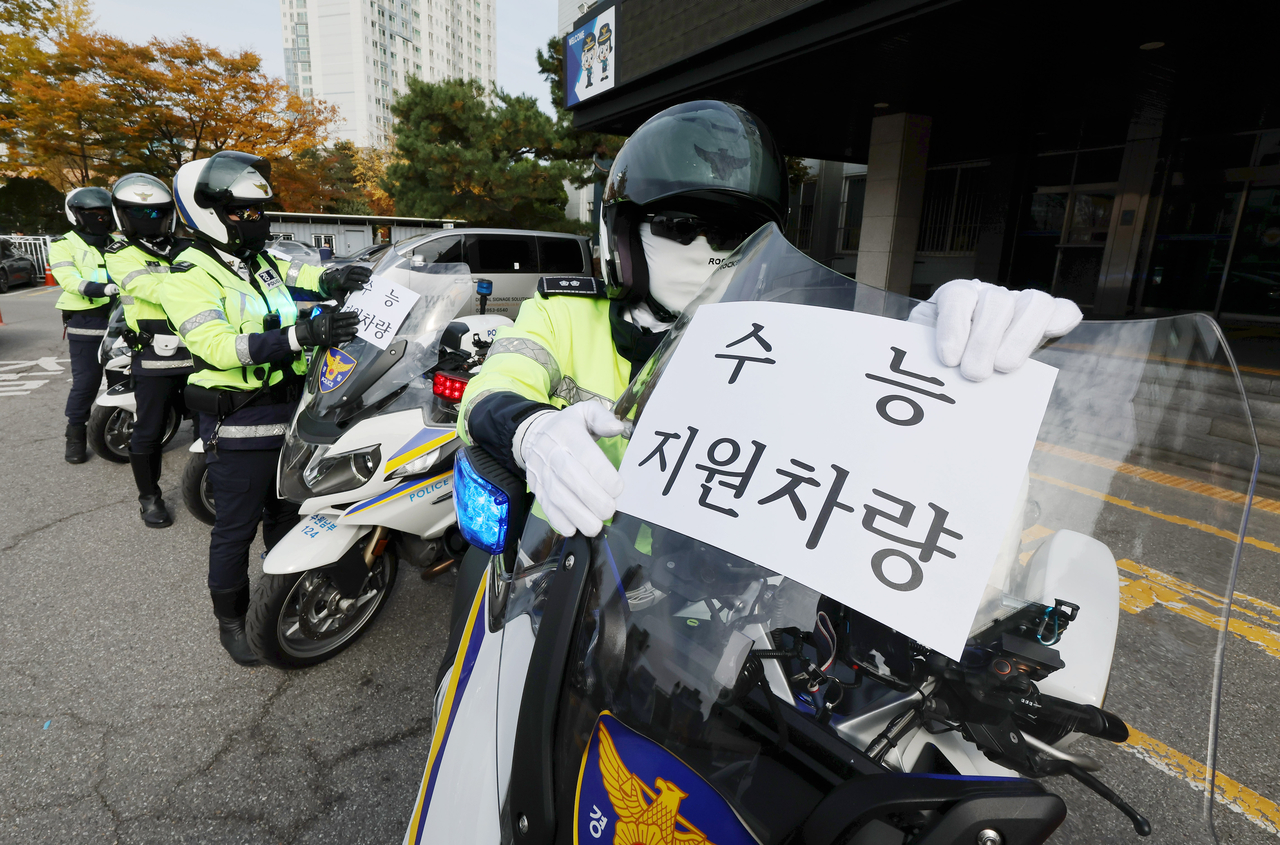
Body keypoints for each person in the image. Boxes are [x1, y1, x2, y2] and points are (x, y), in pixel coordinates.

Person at [456, 100, 1083, 540]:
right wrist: (531, 430)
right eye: (680, 225)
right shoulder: (563, 314)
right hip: (560, 578)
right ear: (622, 235)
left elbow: (865, 450)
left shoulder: (784, 343)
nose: (708, 251)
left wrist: (935, 366)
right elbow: (489, 390)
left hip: (705, 622)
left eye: (734, 232)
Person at [161, 150, 368, 666]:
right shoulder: (186, 276)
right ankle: (231, 619)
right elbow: (218, 346)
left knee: (289, 509)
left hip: (293, 407)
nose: (256, 220)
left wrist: (335, 280)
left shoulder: (258, 261)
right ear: (208, 213)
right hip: (241, 419)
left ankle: (281, 590)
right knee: (236, 527)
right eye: (243, 212)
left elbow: (300, 275)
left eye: (259, 210)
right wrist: (302, 335)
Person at [104, 174, 191, 528]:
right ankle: (149, 498)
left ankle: (215, 485)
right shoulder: (120, 254)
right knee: (149, 430)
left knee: (211, 425)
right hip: (155, 356)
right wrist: (194, 283)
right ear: (122, 215)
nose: (148, 219)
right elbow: (149, 289)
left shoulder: (188, 247)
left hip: (200, 350)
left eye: (156, 212)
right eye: (139, 212)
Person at [51, 187, 119, 463]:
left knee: (121, 378)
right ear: (76, 214)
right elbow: (67, 278)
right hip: (86, 319)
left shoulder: (118, 242)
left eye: (104, 212)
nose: (100, 217)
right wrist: (101, 289)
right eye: (93, 212)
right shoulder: (64, 244)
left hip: (121, 317)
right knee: (87, 381)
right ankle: (75, 434)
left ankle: (118, 427)